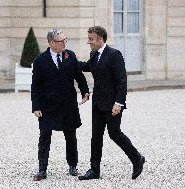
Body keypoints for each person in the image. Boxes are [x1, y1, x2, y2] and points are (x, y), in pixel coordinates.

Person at [78, 26, 145, 180]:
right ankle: (94, 171)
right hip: (98, 103)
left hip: (112, 104)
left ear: (101, 39)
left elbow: (122, 81)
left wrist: (119, 103)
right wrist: (70, 60)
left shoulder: (114, 55)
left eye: (91, 39)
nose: (89, 42)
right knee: (96, 137)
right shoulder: (94, 54)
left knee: (114, 134)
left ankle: (137, 158)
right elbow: (88, 66)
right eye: (89, 38)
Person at [31, 29, 90, 181]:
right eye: (60, 41)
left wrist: (85, 91)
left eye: (65, 40)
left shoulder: (70, 55)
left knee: (71, 136)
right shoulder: (40, 60)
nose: (64, 43)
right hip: (47, 105)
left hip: (68, 104)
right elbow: (35, 86)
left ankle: (72, 165)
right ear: (51, 43)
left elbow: (79, 76)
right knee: (45, 137)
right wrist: (36, 107)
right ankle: (42, 170)